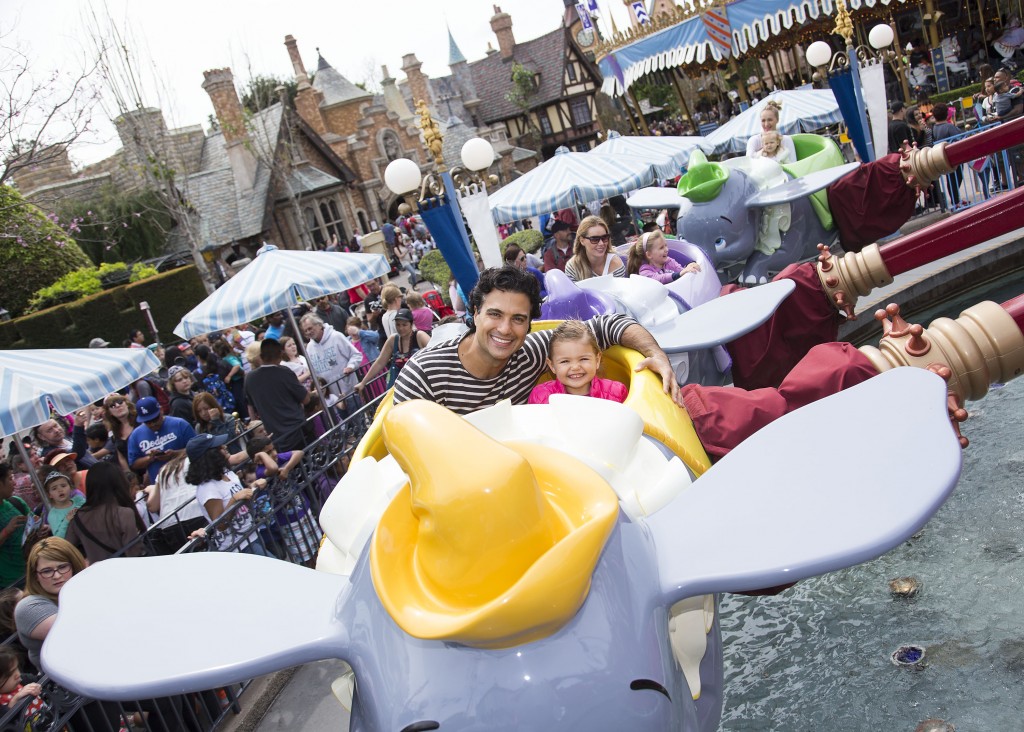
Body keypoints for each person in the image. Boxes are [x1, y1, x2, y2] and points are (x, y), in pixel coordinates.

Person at [392, 266, 679, 414]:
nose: (505, 329)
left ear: (529, 325)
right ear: (476, 313)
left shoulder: (529, 352)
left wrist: (658, 355)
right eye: (495, 314)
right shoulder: (424, 374)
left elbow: (610, 324)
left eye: (518, 319)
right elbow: (407, 448)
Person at [14, 537, 88, 669]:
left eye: (63, 567)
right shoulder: (28, 606)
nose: (57, 576)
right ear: (35, 575)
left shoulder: (84, 590)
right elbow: (77, 633)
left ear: (74, 565)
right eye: (47, 571)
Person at [186, 433, 263, 554]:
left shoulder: (226, 472)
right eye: (219, 447)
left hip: (251, 533)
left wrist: (253, 487)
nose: (225, 447)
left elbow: (242, 498)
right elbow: (220, 525)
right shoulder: (207, 488)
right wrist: (234, 500)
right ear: (210, 456)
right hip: (238, 545)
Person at [527, 320, 629, 404]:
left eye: (583, 359)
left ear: (597, 360)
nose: (575, 367)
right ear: (552, 365)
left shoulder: (616, 392)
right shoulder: (541, 396)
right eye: (565, 361)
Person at [65, 462, 147, 562]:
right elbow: (134, 552)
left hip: (96, 573)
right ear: (119, 483)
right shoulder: (124, 513)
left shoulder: (78, 517)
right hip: (125, 571)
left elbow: (66, 549)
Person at [244, 339, 311, 452]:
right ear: (280, 354)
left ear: (261, 356)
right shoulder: (284, 372)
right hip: (297, 431)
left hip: (276, 437)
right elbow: (306, 399)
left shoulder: (249, 378)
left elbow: (251, 408)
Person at [356, 308, 432, 393]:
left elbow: (434, 355)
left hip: (420, 385)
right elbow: (380, 362)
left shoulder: (420, 336)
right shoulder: (393, 339)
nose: (400, 328)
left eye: (404, 325)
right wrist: (363, 383)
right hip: (400, 388)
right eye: (398, 325)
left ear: (411, 324)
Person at [144, 454, 207, 555]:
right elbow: (152, 506)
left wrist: (152, 490)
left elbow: (152, 505)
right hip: (196, 513)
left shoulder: (164, 470)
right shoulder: (195, 459)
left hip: (171, 523)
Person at [127, 396, 197, 484]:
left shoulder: (180, 424)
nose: (152, 424)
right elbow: (133, 464)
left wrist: (175, 454)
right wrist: (150, 458)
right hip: (161, 485)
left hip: (188, 478)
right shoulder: (135, 435)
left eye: (154, 419)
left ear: (161, 410)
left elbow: (197, 448)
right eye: (147, 422)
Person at [299, 314, 362, 399]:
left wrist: (351, 366)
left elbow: (356, 355)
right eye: (305, 331)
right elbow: (314, 372)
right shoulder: (309, 347)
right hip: (331, 398)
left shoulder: (336, 336)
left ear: (319, 325)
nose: (308, 332)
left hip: (349, 391)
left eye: (310, 328)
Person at [564, 215, 626, 282]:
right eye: (594, 239)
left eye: (604, 237)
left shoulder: (616, 264)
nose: (601, 243)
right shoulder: (573, 267)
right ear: (582, 240)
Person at [626, 230, 702, 282]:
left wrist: (689, 266)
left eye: (666, 246)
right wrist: (679, 274)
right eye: (661, 248)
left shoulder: (669, 262)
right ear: (649, 254)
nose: (666, 249)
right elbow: (660, 279)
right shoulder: (644, 271)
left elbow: (681, 270)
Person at [0, 463, 30, 587]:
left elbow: (33, 520)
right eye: (10, 478)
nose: (15, 483)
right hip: (10, 583)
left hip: (32, 571)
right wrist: (7, 531)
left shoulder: (17, 502)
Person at [930, 102, 965, 209]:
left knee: (951, 179)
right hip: (953, 157)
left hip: (942, 157)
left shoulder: (934, 128)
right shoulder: (949, 127)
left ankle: (956, 199)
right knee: (956, 178)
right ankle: (956, 200)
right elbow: (960, 138)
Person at [0, 645, 44, 718]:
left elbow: (40, 680)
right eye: (10, 674)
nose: (17, 674)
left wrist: (38, 685)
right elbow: (5, 722)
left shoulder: (22, 679)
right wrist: (16, 699)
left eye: (16, 668)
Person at [42, 471, 84, 539]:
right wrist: (67, 520)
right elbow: (59, 538)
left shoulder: (79, 500)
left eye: (63, 486)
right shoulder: (53, 515)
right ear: (50, 495)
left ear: (70, 487)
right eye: (54, 488)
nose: (60, 490)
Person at [102, 393, 137, 472]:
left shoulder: (140, 421)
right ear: (109, 412)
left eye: (120, 401)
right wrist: (130, 476)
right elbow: (121, 457)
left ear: (127, 404)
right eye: (112, 405)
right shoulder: (115, 431)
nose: (118, 405)